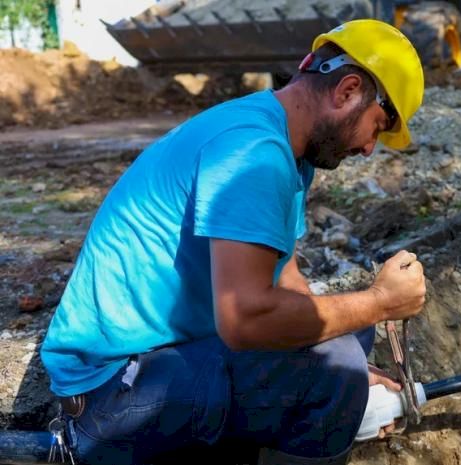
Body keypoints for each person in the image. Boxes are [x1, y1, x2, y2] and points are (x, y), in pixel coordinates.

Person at [38, 19, 426, 465]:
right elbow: (245, 321)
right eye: (378, 127)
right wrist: (380, 301)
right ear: (347, 91)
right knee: (333, 371)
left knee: (350, 338)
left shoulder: (282, 144)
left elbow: (286, 277)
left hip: (156, 359)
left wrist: (365, 372)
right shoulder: (255, 155)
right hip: (111, 391)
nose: (369, 149)